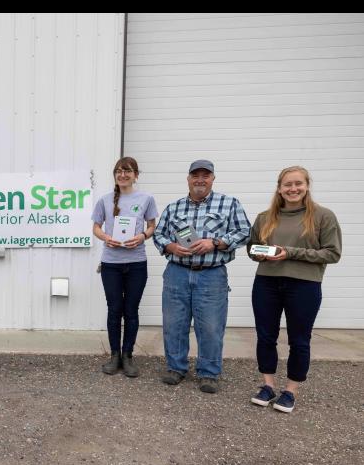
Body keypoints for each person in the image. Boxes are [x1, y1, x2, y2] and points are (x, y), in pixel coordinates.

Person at [247, 166, 342, 413]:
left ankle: (290, 391)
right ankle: (267, 385)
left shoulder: (323, 216)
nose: (293, 189)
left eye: (298, 183)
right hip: (267, 282)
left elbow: (332, 253)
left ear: (307, 185)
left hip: (305, 285)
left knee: (299, 340)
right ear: (279, 188)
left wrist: (290, 253)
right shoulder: (265, 217)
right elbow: (251, 249)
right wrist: (261, 253)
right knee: (265, 336)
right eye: (287, 184)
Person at [152, 159, 250, 393]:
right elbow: (159, 234)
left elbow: (245, 231)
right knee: (174, 324)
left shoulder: (229, 203)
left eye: (205, 175)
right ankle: (176, 368)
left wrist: (215, 242)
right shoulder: (174, 207)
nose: (200, 180)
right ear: (188, 178)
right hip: (176, 273)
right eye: (195, 175)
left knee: (211, 326)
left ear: (213, 178)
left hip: (211, 275)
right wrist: (170, 247)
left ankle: (208, 372)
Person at [92, 157, 158, 377]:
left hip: (137, 263)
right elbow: (96, 227)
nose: (123, 175)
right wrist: (106, 238)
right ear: (115, 175)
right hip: (111, 263)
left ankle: (128, 356)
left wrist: (141, 237)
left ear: (136, 175)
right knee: (114, 310)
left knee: (131, 311)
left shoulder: (146, 198)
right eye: (119, 171)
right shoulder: (104, 200)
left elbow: (151, 226)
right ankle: (114, 356)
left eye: (127, 171)